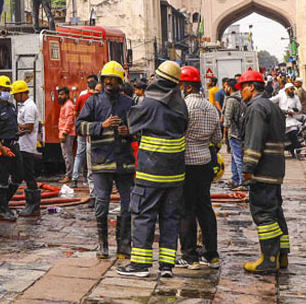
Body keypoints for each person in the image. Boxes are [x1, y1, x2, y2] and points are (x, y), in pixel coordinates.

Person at [119, 61, 188, 278]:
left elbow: (131, 126)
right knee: (170, 217)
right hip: (175, 174)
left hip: (150, 171)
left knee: (143, 215)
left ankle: (140, 264)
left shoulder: (148, 104)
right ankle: (167, 266)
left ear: (157, 79)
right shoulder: (181, 105)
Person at [78, 61, 136, 260]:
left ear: (120, 82)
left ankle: (124, 246)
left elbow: (139, 130)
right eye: (107, 79)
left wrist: (129, 132)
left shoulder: (129, 103)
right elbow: (79, 126)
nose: (110, 82)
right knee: (101, 202)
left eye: (114, 79)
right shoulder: (92, 102)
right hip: (102, 161)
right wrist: (100, 125)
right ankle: (102, 244)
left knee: (128, 204)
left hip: (124, 163)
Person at [238, 68, 289, 273]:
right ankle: (281, 256)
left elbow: (254, 140)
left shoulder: (256, 107)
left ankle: (268, 259)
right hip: (275, 169)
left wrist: (248, 167)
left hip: (262, 170)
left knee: (263, 213)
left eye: (242, 88)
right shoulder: (271, 106)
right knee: (276, 212)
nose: (241, 92)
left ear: (251, 87)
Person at [178, 66, 221, 269]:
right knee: (205, 208)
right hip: (205, 163)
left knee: (187, 209)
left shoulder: (184, 107)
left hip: (186, 163)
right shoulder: (211, 108)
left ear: (186, 87)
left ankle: (189, 256)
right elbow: (217, 139)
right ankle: (211, 254)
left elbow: (178, 132)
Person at [0, 76, 21, 222]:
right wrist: (1, 147)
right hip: (1, 147)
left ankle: (3, 203)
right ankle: (2, 210)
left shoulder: (11, 106)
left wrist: (19, 132)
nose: (6, 92)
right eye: (4, 90)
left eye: (8, 90)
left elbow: (13, 124)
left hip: (14, 144)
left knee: (18, 176)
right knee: (2, 178)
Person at [11, 81, 42, 216]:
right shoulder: (24, 106)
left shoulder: (29, 107)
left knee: (29, 175)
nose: (14, 97)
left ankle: (33, 206)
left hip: (27, 146)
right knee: (26, 174)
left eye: (16, 95)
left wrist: (15, 126)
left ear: (22, 93)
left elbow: (29, 127)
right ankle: (30, 204)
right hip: (23, 145)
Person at [221, 79, 245, 189]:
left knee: (238, 158)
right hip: (240, 132)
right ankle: (235, 179)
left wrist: (224, 134)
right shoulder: (241, 98)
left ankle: (242, 182)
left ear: (229, 87)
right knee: (234, 158)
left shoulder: (231, 100)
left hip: (234, 133)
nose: (224, 89)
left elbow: (227, 120)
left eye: (225, 87)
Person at [57, 86, 77, 184]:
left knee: (67, 155)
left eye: (62, 94)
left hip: (67, 133)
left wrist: (64, 133)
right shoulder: (65, 104)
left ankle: (69, 175)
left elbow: (69, 120)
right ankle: (69, 174)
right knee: (67, 155)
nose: (60, 96)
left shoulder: (68, 105)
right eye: (59, 94)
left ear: (67, 95)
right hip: (66, 132)